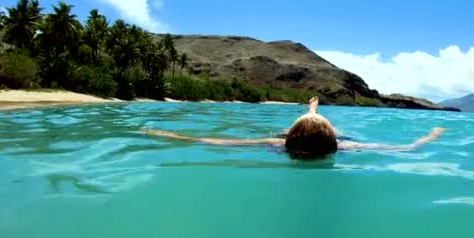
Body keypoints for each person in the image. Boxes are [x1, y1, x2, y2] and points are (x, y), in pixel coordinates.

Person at [143, 97, 446, 159]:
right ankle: (313, 111)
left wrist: (172, 135)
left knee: (309, 123)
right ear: (333, 138)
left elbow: (219, 142)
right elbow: (405, 148)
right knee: (313, 123)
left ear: (288, 137)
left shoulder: (275, 143)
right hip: (316, 139)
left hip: (304, 138)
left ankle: (311, 111)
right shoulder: (343, 146)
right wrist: (430, 136)